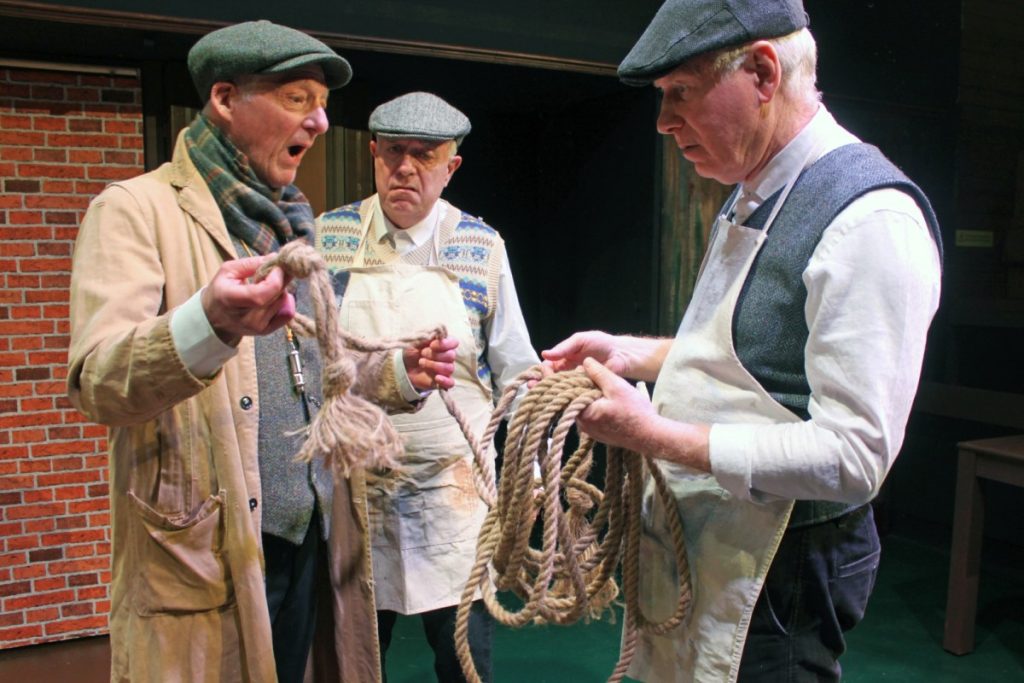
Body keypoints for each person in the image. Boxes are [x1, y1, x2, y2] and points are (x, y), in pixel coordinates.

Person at [543, 1, 943, 681]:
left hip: (779, 569)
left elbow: (855, 453)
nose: (665, 121)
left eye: (681, 94)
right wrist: (633, 353)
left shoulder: (871, 222)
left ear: (762, 72)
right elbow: (753, 357)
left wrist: (655, 435)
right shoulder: (753, 188)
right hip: (713, 540)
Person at [66, 21, 457, 683]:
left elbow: (306, 371)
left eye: (322, 104)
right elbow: (99, 381)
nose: (323, 121)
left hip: (312, 537)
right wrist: (207, 323)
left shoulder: (289, 218)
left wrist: (396, 372)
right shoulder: (135, 210)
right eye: (298, 99)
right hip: (212, 555)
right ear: (223, 99)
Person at [317, 91, 541, 682]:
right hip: (359, 491)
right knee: (355, 659)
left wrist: (532, 467)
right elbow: (309, 362)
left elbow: (516, 367)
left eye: (425, 154)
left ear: (452, 165)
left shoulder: (480, 248)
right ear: (372, 152)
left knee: (463, 660)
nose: (405, 168)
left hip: (452, 495)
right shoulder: (330, 237)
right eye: (393, 152)